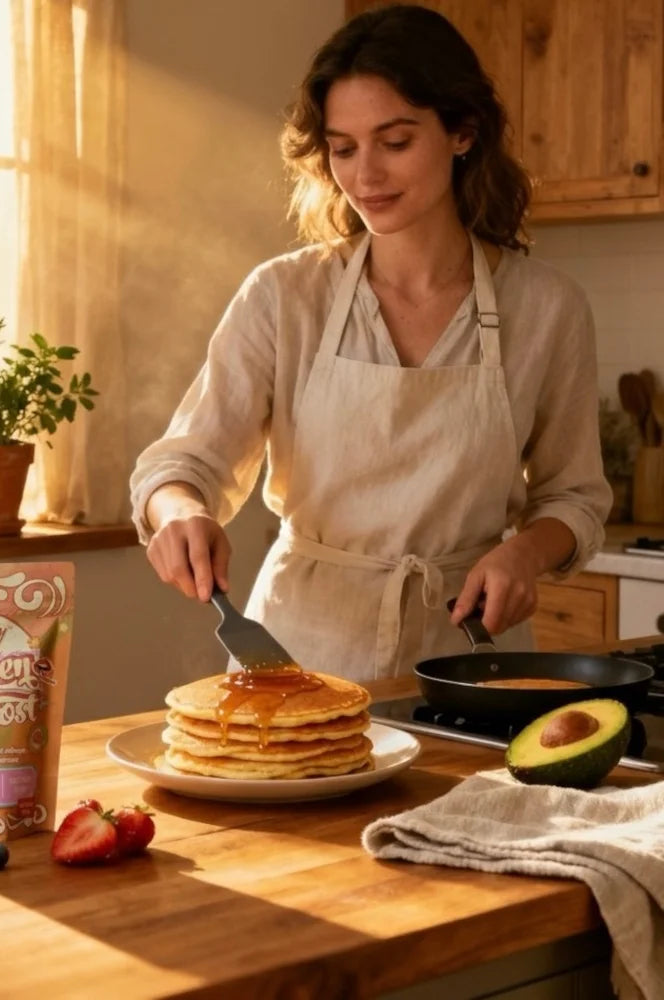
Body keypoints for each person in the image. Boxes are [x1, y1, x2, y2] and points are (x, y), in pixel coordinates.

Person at [129, 4, 612, 682]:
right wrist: (178, 511)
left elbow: (575, 497)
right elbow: (183, 463)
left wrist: (524, 555)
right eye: (344, 147)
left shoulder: (548, 309)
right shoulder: (284, 296)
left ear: (462, 131)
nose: (365, 176)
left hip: (471, 656)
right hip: (301, 654)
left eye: (395, 141)